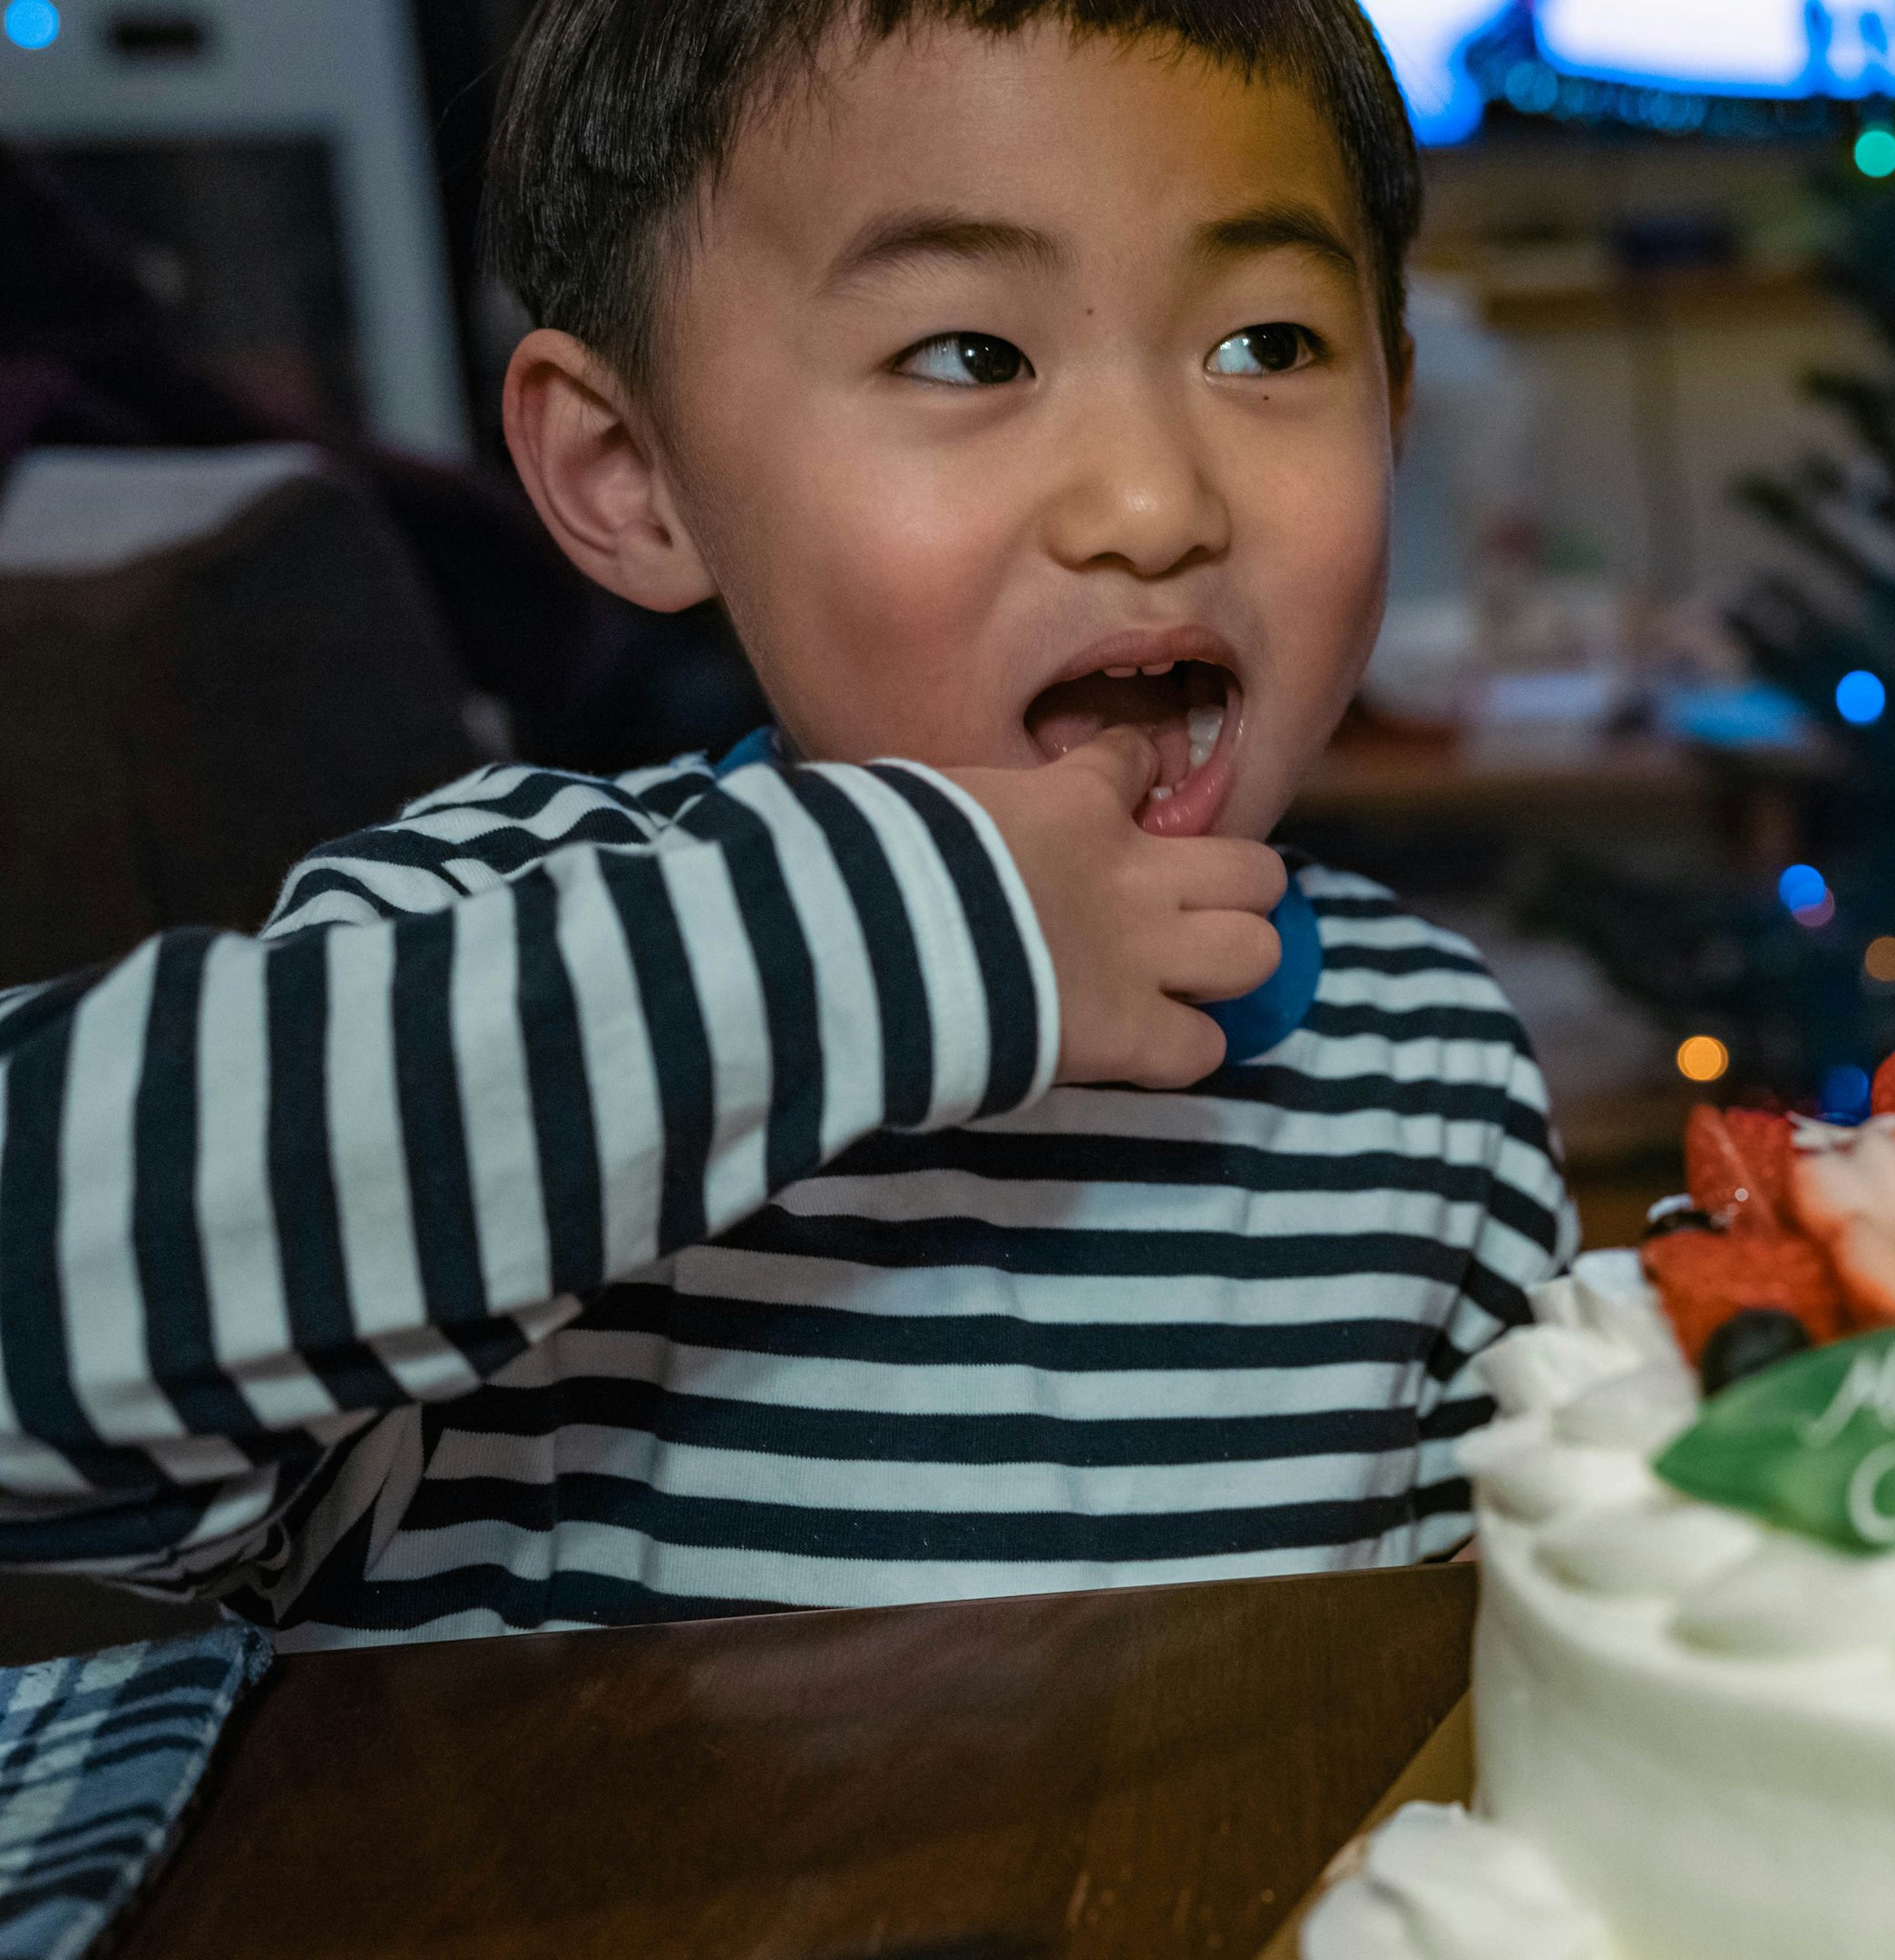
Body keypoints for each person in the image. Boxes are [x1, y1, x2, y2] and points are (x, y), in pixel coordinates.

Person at [0, 0, 1575, 1646]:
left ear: (1393, 405)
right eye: (970, 353)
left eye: (1267, 346)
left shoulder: (1442, 1072)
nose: (1154, 503)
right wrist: (892, 934)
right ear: (632, 475)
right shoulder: (495, 934)